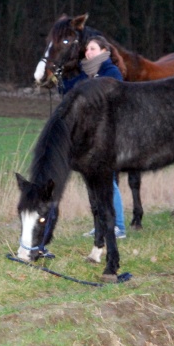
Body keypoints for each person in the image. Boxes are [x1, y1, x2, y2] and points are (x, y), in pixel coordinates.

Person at [61, 36, 127, 239]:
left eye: (93, 49)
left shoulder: (111, 73)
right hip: (92, 136)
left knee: (108, 181)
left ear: (104, 51)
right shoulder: (89, 74)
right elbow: (69, 90)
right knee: (95, 181)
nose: (88, 53)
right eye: (87, 50)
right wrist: (60, 77)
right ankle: (101, 225)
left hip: (110, 135)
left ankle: (118, 226)